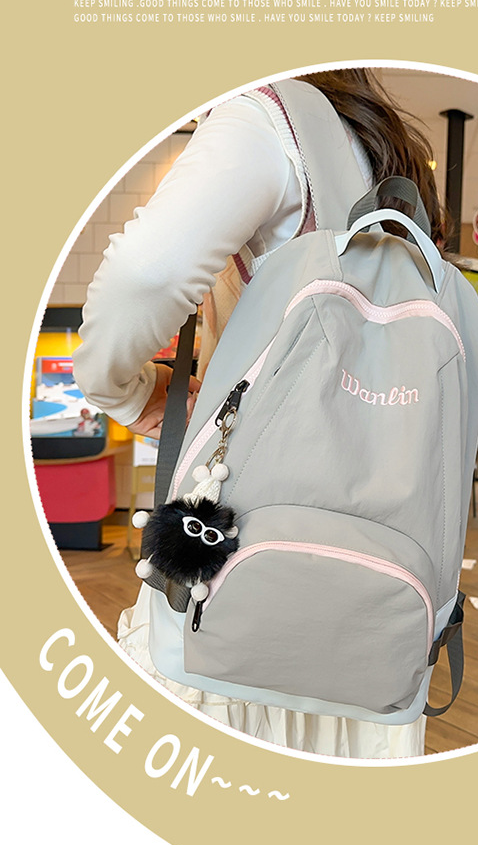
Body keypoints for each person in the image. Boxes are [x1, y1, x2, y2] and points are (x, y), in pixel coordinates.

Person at [73, 69, 445, 759]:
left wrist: (123, 392)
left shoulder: (272, 117)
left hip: (242, 553)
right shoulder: (387, 162)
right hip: (376, 598)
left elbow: (144, 275)